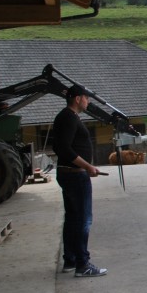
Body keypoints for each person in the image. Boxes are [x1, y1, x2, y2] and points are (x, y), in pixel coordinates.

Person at [52, 84, 107, 277]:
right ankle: (83, 264)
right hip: (74, 175)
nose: (88, 101)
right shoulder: (67, 117)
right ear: (77, 99)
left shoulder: (68, 117)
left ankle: (71, 259)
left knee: (73, 218)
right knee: (83, 220)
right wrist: (87, 166)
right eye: (86, 97)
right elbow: (64, 149)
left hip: (72, 174)